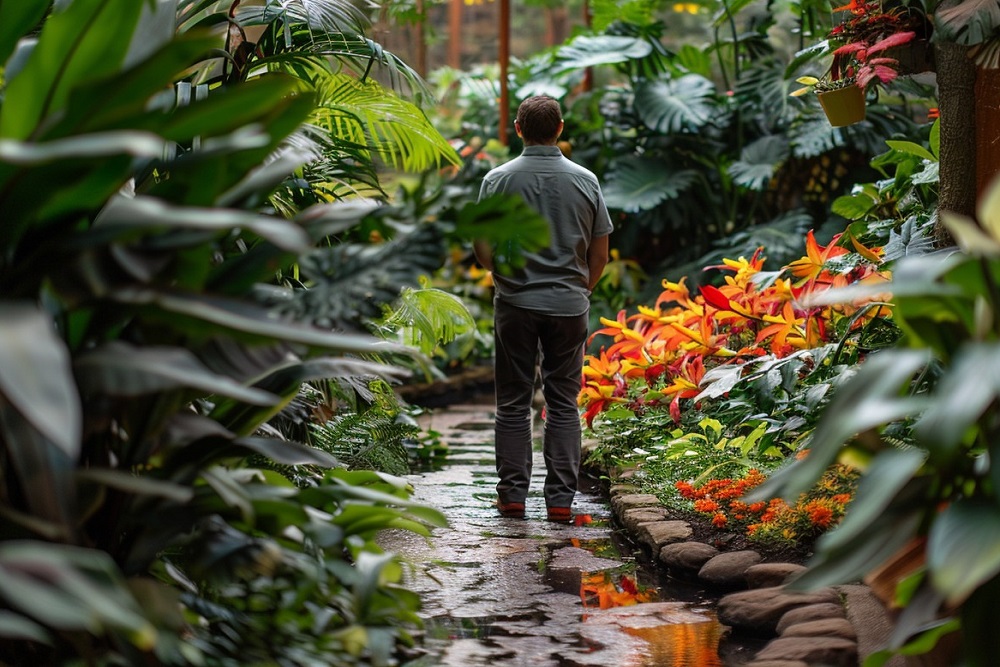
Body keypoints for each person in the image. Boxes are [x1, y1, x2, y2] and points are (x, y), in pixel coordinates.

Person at [474, 95, 612, 523]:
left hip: (515, 304)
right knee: (563, 403)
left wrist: (510, 277)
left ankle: (513, 496)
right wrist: (576, 291)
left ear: (517, 129)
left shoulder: (496, 180)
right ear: (561, 129)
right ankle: (560, 502)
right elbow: (600, 255)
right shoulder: (586, 180)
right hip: (569, 306)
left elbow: (482, 250)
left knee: (513, 403)